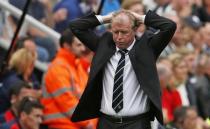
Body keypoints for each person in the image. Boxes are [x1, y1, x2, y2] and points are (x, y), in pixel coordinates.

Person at [69, 9, 176, 129]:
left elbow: (170, 26)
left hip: (137, 123)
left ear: (135, 30)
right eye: (115, 32)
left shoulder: (147, 47)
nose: (119, 37)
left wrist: (141, 18)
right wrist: (107, 18)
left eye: (124, 32)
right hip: (106, 122)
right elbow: (75, 26)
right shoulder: (104, 45)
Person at [41, 29, 96, 129]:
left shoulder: (75, 65)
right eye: (78, 45)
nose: (83, 48)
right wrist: (88, 123)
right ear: (67, 46)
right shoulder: (58, 68)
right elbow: (67, 101)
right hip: (61, 125)